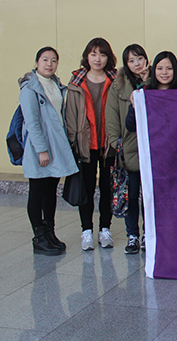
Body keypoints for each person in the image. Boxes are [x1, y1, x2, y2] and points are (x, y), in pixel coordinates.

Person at [19, 47, 77, 255]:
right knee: (37, 191)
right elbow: (32, 122)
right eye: (45, 60)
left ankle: (50, 233)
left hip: (56, 146)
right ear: (37, 63)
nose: (49, 64)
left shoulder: (55, 84)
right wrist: (41, 150)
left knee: (51, 191)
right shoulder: (30, 88)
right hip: (40, 147)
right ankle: (39, 237)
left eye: (53, 60)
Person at [65, 37, 117, 252]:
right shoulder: (77, 82)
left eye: (102, 55)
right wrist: (73, 142)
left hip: (108, 144)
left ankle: (105, 229)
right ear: (87, 56)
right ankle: (86, 230)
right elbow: (70, 115)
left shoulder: (115, 80)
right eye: (94, 54)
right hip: (85, 144)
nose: (98, 59)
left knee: (107, 188)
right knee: (85, 189)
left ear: (108, 58)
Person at [106, 44, 150, 255]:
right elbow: (111, 117)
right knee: (131, 195)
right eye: (131, 61)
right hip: (128, 149)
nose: (136, 64)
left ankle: (148, 234)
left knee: (149, 195)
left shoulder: (155, 81)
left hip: (150, 148)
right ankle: (132, 235)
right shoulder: (118, 86)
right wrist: (117, 144)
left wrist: (148, 81)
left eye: (139, 58)